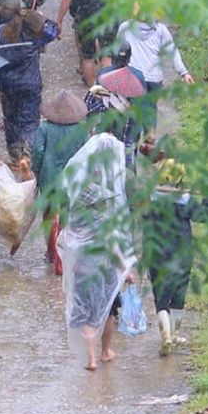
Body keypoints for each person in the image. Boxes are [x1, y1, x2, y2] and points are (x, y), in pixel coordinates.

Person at [60, 96, 139, 371]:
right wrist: (126, 268)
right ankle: (106, 352)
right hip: (106, 268)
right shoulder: (108, 214)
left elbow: (68, 238)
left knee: (86, 314)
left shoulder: (78, 210)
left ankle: (91, 357)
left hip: (84, 267)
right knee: (108, 309)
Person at [141, 166, 206, 355]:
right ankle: (176, 334)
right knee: (178, 294)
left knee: (161, 298)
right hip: (182, 254)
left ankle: (167, 336)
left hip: (157, 254)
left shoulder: (150, 198)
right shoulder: (185, 199)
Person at [31, 89, 93, 272]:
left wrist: (36, 171)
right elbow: (88, 155)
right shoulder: (82, 130)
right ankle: (62, 259)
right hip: (72, 179)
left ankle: (52, 253)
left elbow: (38, 152)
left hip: (49, 177)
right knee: (67, 216)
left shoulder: (44, 128)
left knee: (49, 215)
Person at [0, 0, 56, 160]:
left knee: (11, 120)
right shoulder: (32, 33)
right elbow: (53, 31)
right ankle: (28, 151)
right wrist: (41, 18)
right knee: (30, 121)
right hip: (30, 85)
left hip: (8, 86)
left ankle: (15, 154)